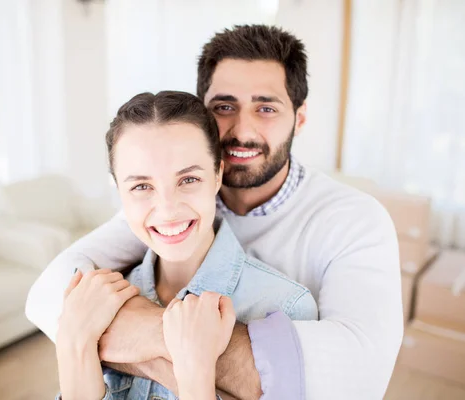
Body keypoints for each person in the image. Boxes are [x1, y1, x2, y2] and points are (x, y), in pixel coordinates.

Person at [27, 25, 403, 399]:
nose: (242, 130)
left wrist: (120, 335)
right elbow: (47, 294)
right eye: (224, 107)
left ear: (299, 119)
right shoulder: (171, 206)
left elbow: (358, 378)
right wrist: (174, 344)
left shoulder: (354, 220)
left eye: (266, 108)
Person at [55, 91, 318, 399]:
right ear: (118, 189)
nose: (168, 209)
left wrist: (196, 375)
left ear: (217, 175)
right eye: (141, 186)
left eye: (189, 180)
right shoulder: (99, 302)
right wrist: (73, 345)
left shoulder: (284, 308)